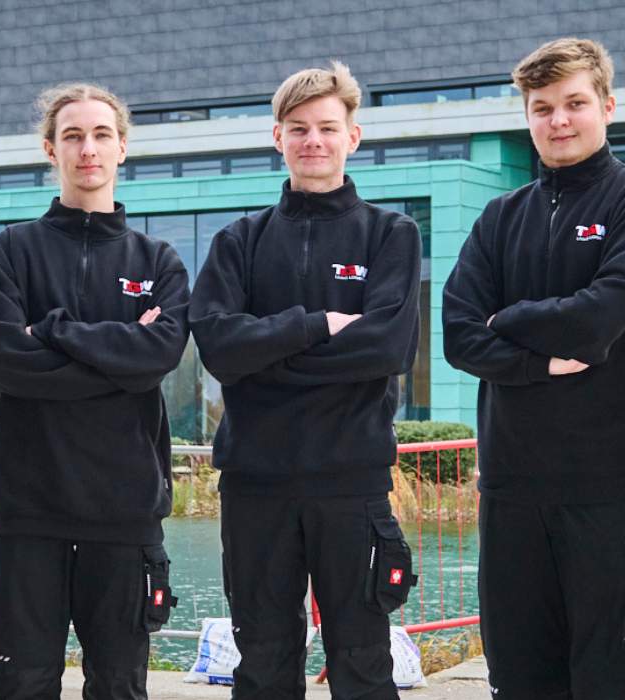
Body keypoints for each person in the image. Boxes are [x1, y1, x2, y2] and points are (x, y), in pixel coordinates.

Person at [442, 37, 625, 699]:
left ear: (606, 106)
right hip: (512, 493)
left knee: (613, 684)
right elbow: (458, 337)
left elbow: (597, 321)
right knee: (520, 684)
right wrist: (544, 364)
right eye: (542, 107)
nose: (559, 120)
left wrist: (506, 320)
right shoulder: (499, 217)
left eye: (575, 103)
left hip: (611, 491)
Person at [190, 61, 422, 699]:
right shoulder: (240, 240)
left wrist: (264, 357)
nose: (312, 140)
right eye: (298, 128)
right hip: (255, 486)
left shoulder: (389, 234)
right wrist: (318, 324)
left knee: (364, 663)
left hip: (352, 484)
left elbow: (387, 347)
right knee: (262, 664)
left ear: (353, 135)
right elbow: (218, 346)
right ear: (277, 138)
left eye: (326, 127)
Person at [0, 82, 190, 699]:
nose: (87, 149)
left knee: (120, 689)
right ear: (51, 149)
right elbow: (4, 361)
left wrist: (52, 330)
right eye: (72, 136)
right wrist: (121, 355)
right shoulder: (13, 252)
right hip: (28, 514)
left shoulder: (159, 261)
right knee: (22, 687)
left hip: (124, 517)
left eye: (100, 136)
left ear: (122, 149)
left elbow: (158, 359)